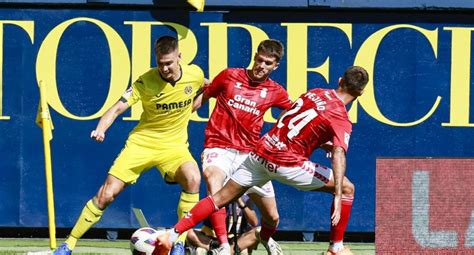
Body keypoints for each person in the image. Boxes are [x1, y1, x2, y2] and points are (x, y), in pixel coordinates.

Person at [154, 66, 369, 255]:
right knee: (348, 188)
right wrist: (338, 194)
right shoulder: (341, 117)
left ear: (340, 81)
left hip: (259, 153)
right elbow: (339, 154)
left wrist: (320, 143)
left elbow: (288, 121)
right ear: (360, 92)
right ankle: (336, 247)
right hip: (287, 163)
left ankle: (172, 234)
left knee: (219, 198)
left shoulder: (316, 93)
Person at [53, 36, 205, 255]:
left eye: (169, 63)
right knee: (106, 194)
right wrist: (101, 129)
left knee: (193, 178)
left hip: (174, 147)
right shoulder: (145, 82)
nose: (164, 68)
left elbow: (209, 86)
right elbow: (116, 109)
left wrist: (199, 102)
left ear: (179, 57)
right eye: (160, 63)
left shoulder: (195, 75)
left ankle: (178, 242)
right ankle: (68, 245)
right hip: (141, 144)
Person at [193, 39, 292, 254]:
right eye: (259, 60)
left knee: (272, 217)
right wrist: (180, 113)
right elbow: (202, 99)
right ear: (254, 56)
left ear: (275, 66)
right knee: (213, 181)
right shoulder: (229, 75)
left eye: (267, 63)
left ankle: (251, 242)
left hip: (250, 155)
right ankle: (224, 246)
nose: (261, 66)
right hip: (218, 146)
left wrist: (279, 135)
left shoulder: (276, 91)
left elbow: (291, 114)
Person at [187, 194, 278, 255]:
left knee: (258, 231)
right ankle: (218, 250)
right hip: (214, 240)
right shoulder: (218, 194)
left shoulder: (246, 198)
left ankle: (217, 252)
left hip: (235, 239)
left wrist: (241, 203)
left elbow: (254, 222)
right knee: (189, 233)